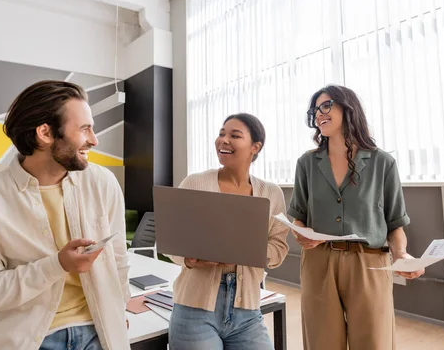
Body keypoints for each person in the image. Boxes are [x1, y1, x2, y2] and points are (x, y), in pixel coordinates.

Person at [0, 80, 131, 350]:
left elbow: (117, 259)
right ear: (45, 134)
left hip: (99, 331)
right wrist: (57, 265)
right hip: (29, 340)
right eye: (84, 129)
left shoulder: (102, 183)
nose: (94, 140)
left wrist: (120, 310)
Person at [289, 85, 425, 350]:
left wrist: (402, 255)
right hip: (319, 263)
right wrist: (300, 233)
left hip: (369, 264)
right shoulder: (306, 163)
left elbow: (395, 222)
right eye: (315, 110)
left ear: (348, 108)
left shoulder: (382, 163)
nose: (319, 114)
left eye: (325, 106)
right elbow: (299, 217)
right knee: (321, 342)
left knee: (374, 341)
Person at [167, 113, 290, 350]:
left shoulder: (271, 193)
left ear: (255, 147)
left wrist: (248, 249)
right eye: (222, 133)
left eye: (234, 135)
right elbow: (174, 242)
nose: (224, 140)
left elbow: (279, 247)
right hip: (194, 308)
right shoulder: (194, 183)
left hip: (248, 311)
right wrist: (189, 259)